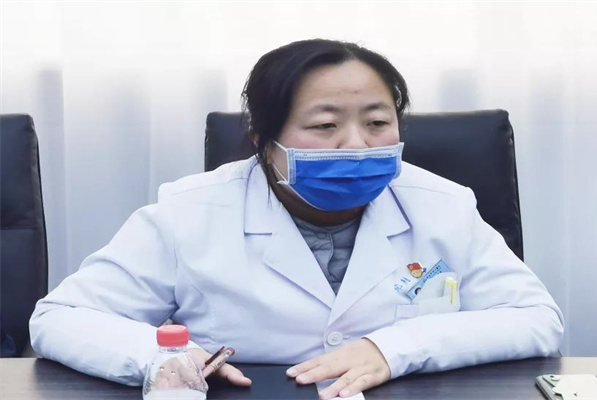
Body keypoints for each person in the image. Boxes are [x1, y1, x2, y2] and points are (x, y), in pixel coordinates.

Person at [29, 39, 564, 399]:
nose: (357, 145)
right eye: (325, 125)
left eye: (378, 122)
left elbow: (536, 318)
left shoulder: (441, 203)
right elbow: (62, 317)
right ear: (263, 139)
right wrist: (160, 357)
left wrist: (394, 348)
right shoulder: (188, 210)